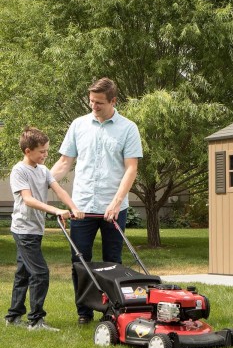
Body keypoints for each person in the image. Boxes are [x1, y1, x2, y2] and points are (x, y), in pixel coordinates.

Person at [50, 78, 143, 325]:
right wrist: (41, 180)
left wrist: (116, 201)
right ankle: (84, 312)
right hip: (81, 208)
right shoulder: (79, 125)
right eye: (91, 101)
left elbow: (131, 168)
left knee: (113, 262)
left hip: (114, 208)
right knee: (80, 261)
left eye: (99, 102)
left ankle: (112, 312)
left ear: (113, 101)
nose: (94, 106)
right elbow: (64, 162)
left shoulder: (128, 128)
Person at [5, 127, 84, 331]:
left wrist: (73, 208)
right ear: (27, 151)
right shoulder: (19, 171)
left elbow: (59, 190)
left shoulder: (43, 171)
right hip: (24, 230)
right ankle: (36, 320)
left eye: (47, 151)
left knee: (23, 273)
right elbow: (29, 199)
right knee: (40, 274)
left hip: (35, 229)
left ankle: (13, 316)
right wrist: (56, 211)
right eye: (42, 151)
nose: (45, 155)